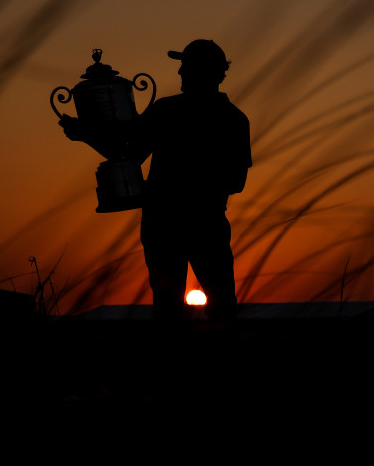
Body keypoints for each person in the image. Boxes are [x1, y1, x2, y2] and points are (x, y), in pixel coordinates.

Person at [60, 39, 251, 320]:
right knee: (212, 308)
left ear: (206, 72)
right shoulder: (232, 119)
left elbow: (127, 154)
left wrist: (86, 134)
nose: (180, 73)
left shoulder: (170, 112)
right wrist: (86, 134)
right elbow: (235, 182)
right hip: (200, 224)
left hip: (172, 224)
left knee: (175, 310)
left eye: (186, 67)